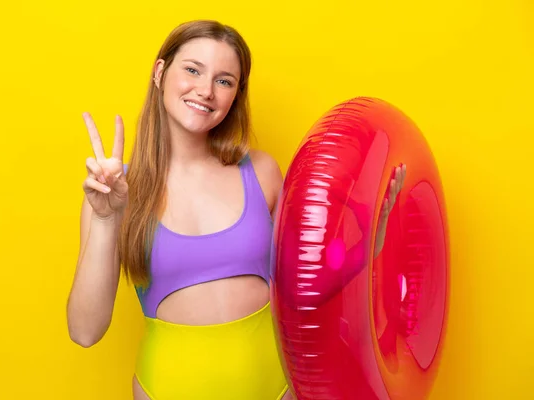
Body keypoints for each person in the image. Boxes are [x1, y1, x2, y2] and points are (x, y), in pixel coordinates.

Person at [66, 19, 405, 400]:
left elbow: (300, 288)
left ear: (235, 96)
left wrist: (365, 249)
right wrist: (108, 217)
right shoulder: (115, 192)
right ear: (160, 72)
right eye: (192, 70)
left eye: (224, 80)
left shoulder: (261, 172)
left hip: (275, 388)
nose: (206, 91)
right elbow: (85, 331)